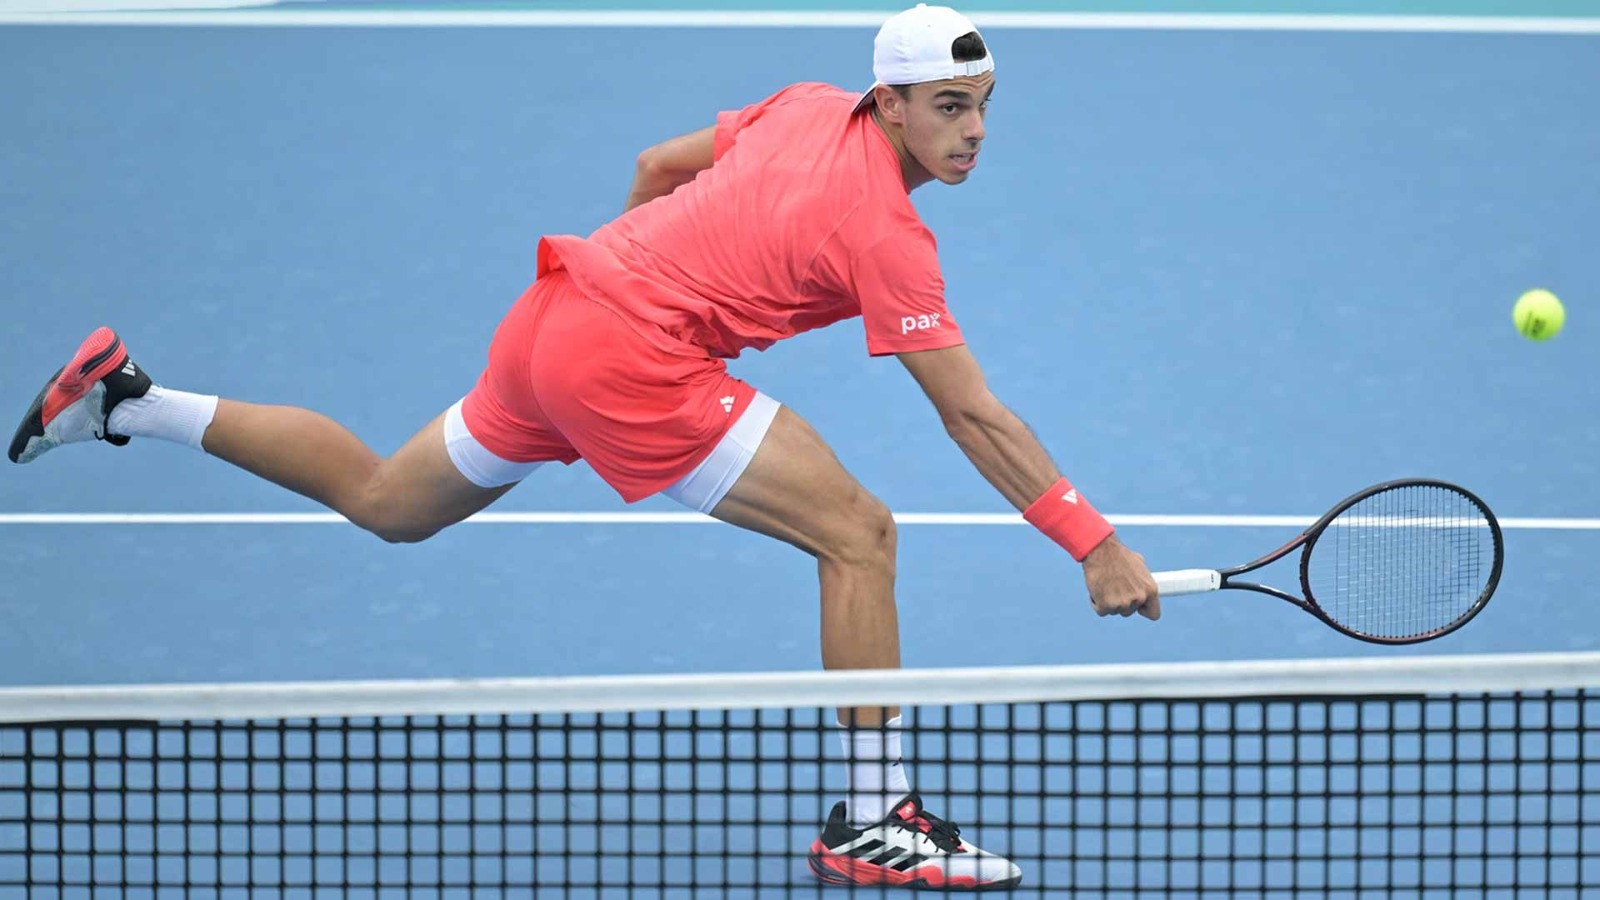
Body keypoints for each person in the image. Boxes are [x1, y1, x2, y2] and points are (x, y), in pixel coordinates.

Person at [10, 3, 1160, 890]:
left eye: (983, 105)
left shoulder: (807, 105)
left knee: (387, 501)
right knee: (859, 537)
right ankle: (871, 819)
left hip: (559, 307)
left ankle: (128, 401)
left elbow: (658, 168)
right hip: (630, 364)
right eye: (949, 107)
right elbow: (972, 414)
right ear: (891, 104)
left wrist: (631, 290)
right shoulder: (888, 235)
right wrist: (1091, 542)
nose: (974, 132)